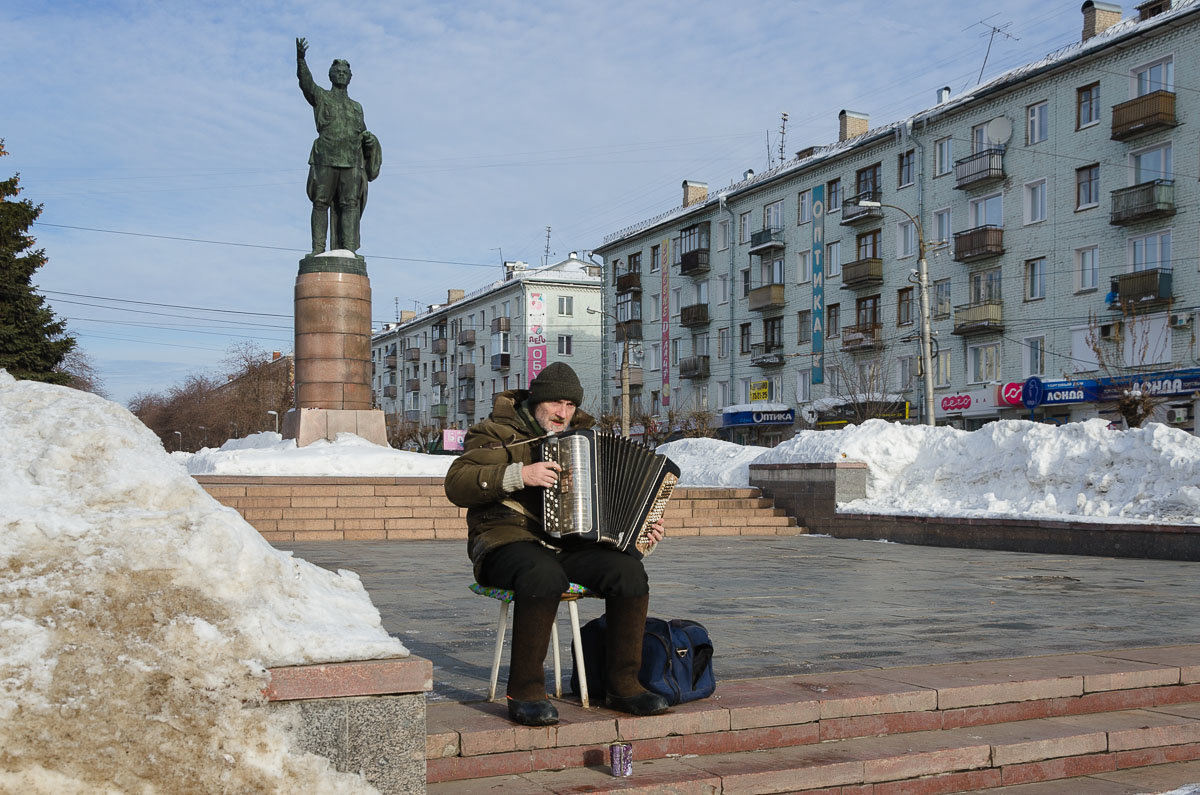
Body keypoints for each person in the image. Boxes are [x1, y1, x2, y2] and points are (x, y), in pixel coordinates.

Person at [445, 362, 669, 726]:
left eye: (570, 405)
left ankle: (623, 685)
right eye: (555, 403)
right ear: (536, 400)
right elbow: (458, 484)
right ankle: (526, 691)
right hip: (506, 541)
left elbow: (609, 508)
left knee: (629, 572)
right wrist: (520, 475)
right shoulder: (496, 432)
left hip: (569, 546)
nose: (563, 413)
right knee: (542, 574)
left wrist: (642, 534)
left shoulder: (585, 440)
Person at [295, 37, 382, 254]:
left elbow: (362, 133)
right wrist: (301, 60)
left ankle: (349, 252)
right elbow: (306, 85)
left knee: (350, 204)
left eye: (345, 72)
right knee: (320, 202)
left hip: (352, 161)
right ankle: (318, 250)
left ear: (351, 78)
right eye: (338, 71)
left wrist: (370, 140)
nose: (342, 74)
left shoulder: (356, 108)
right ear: (331, 76)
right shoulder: (322, 97)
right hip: (325, 156)